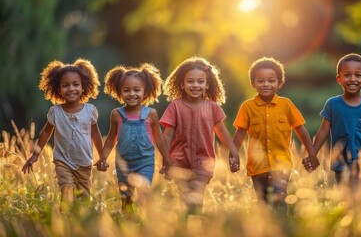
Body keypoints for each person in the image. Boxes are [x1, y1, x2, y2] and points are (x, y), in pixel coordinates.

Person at [231, 57, 316, 215]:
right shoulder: (247, 107)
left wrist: (311, 153)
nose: (266, 84)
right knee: (263, 201)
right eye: (260, 81)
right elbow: (240, 133)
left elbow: (301, 129)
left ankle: (282, 225)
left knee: (279, 196)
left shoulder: (286, 104)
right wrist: (234, 154)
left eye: (271, 80)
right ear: (253, 84)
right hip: (257, 165)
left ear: (280, 83)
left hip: (281, 162)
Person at [160, 56, 240, 215]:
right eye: (190, 81)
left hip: (204, 160)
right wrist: (166, 161)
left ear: (207, 84)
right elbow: (167, 135)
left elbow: (222, 131)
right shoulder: (175, 106)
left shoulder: (212, 107)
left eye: (200, 81)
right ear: (182, 84)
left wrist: (234, 151)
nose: (195, 85)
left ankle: (195, 222)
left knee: (197, 193)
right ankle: (187, 225)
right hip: (179, 160)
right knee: (185, 197)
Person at [22, 59, 103, 211]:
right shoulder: (56, 112)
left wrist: (102, 156)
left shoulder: (90, 110)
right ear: (58, 89)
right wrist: (35, 155)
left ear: (83, 86)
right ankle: (64, 219)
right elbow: (45, 132)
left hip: (84, 162)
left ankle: (79, 224)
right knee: (66, 189)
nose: (71, 88)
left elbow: (96, 133)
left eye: (76, 84)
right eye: (65, 85)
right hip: (63, 161)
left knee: (84, 200)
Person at [308, 53, 361, 187]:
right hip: (339, 160)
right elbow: (323, 131)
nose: (352, 79)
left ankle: (360, 205)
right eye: (347, 75)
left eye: (358, 75)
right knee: (344, 193)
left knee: (357, 186)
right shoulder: (332, 104)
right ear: (339, 79)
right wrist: (312, 154)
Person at [98, 63, 170, 212]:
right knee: (126, 199)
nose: (132, 94)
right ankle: (128, 226)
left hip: (145, 163)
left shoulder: (151, 114)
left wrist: (167, 161)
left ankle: (145, 224)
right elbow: (111, 138)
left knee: (144, 194)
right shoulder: (116, 114)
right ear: (119, 92)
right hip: (123, 164)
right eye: (126, 90)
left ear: (145, 91)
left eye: (137, 90)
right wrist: (102, 158)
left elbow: (159, 139)